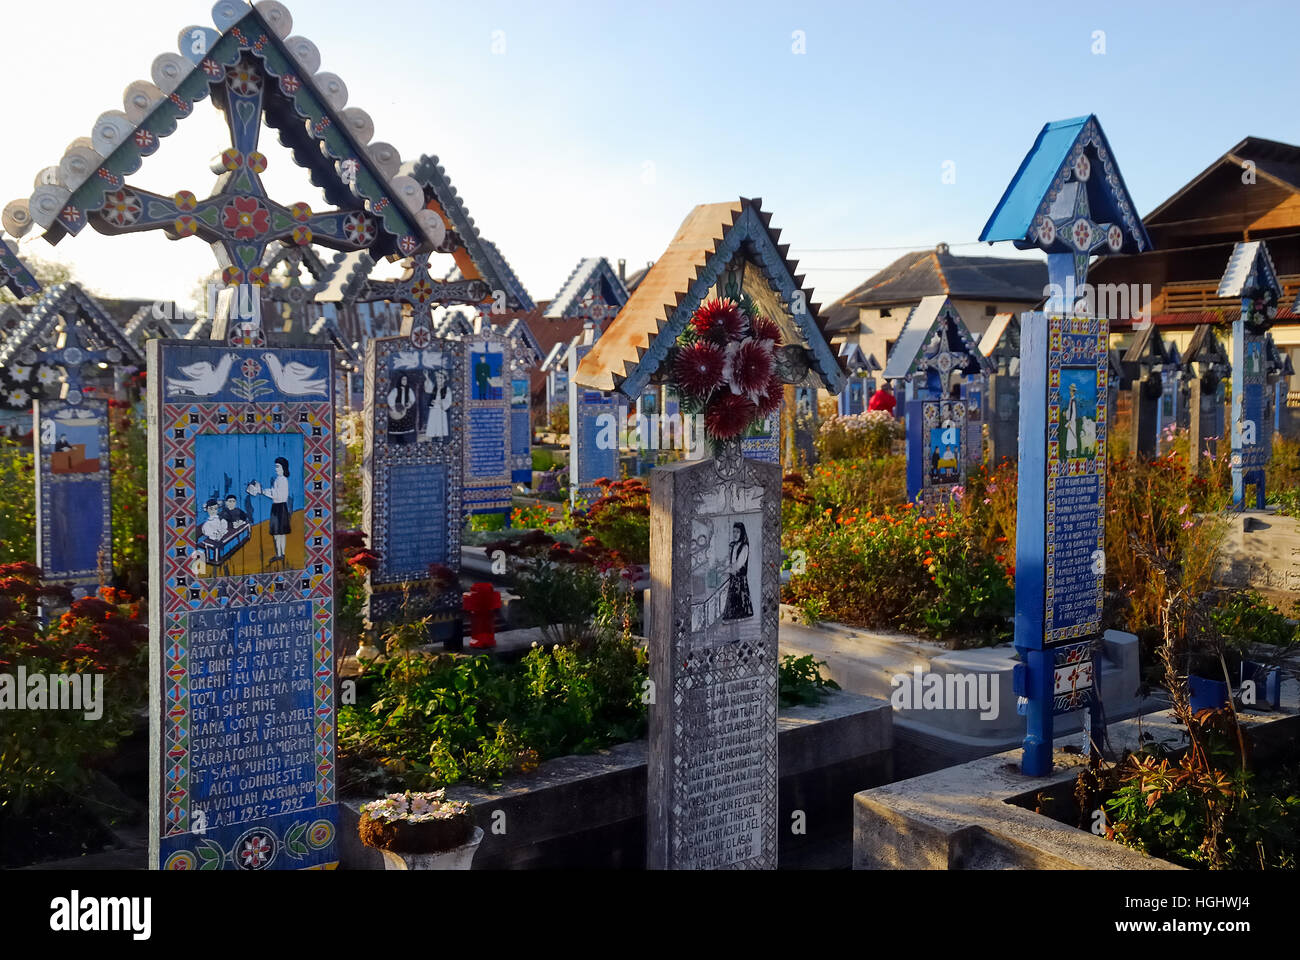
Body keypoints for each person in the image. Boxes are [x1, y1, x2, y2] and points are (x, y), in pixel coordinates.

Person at [250, 457, 292, 563]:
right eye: (275, 466)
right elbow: (275, 492)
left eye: (278, 466)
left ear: (283, 467)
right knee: (281, 533)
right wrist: (263, 491)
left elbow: (277, 494)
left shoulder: (281, 480)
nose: (276, 469)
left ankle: (280, 554)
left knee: (278, 533)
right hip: (281, 507)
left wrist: (262, 491)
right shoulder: (281, 479)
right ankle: (281, 553)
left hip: (278, 507)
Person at [721, 521, 752, 621]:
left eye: (737, 532)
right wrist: (723, 567)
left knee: (740, 596)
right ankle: (732, 617)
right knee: (732, 596)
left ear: (742, 533)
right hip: (733, 576)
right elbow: (728, 560)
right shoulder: (732, 545)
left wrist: (727, 570)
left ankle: (740, 616)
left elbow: (739, 564)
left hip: (740, 577)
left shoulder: (744, 547)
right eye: (734, 532)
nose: (735, 534)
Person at [386, 373, 419, 444]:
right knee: (398, 426)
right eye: (403, 379)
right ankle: (398, 439)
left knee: (406, 426)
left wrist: (409, 404)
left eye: (406, 380)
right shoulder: (396, 390)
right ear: (400, 380)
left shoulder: (409, 390)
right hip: (397, 411)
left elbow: (412, 399)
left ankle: (404, 439)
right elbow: (390, 398)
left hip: (405, 411)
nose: (404, 381)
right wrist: (393, 407)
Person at [423, 368, 452, 440]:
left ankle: (440, 437)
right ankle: (433, 436)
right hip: (433, 408)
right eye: (438, 378)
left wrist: (439, 402)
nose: (439, 379)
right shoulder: (434, 387)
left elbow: (448, 400)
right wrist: (426, 377)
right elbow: (428, 389)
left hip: (441, 409)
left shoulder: (447, 389)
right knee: (433, 422)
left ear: (444, 379)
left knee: (440, 423)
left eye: (441, 378)